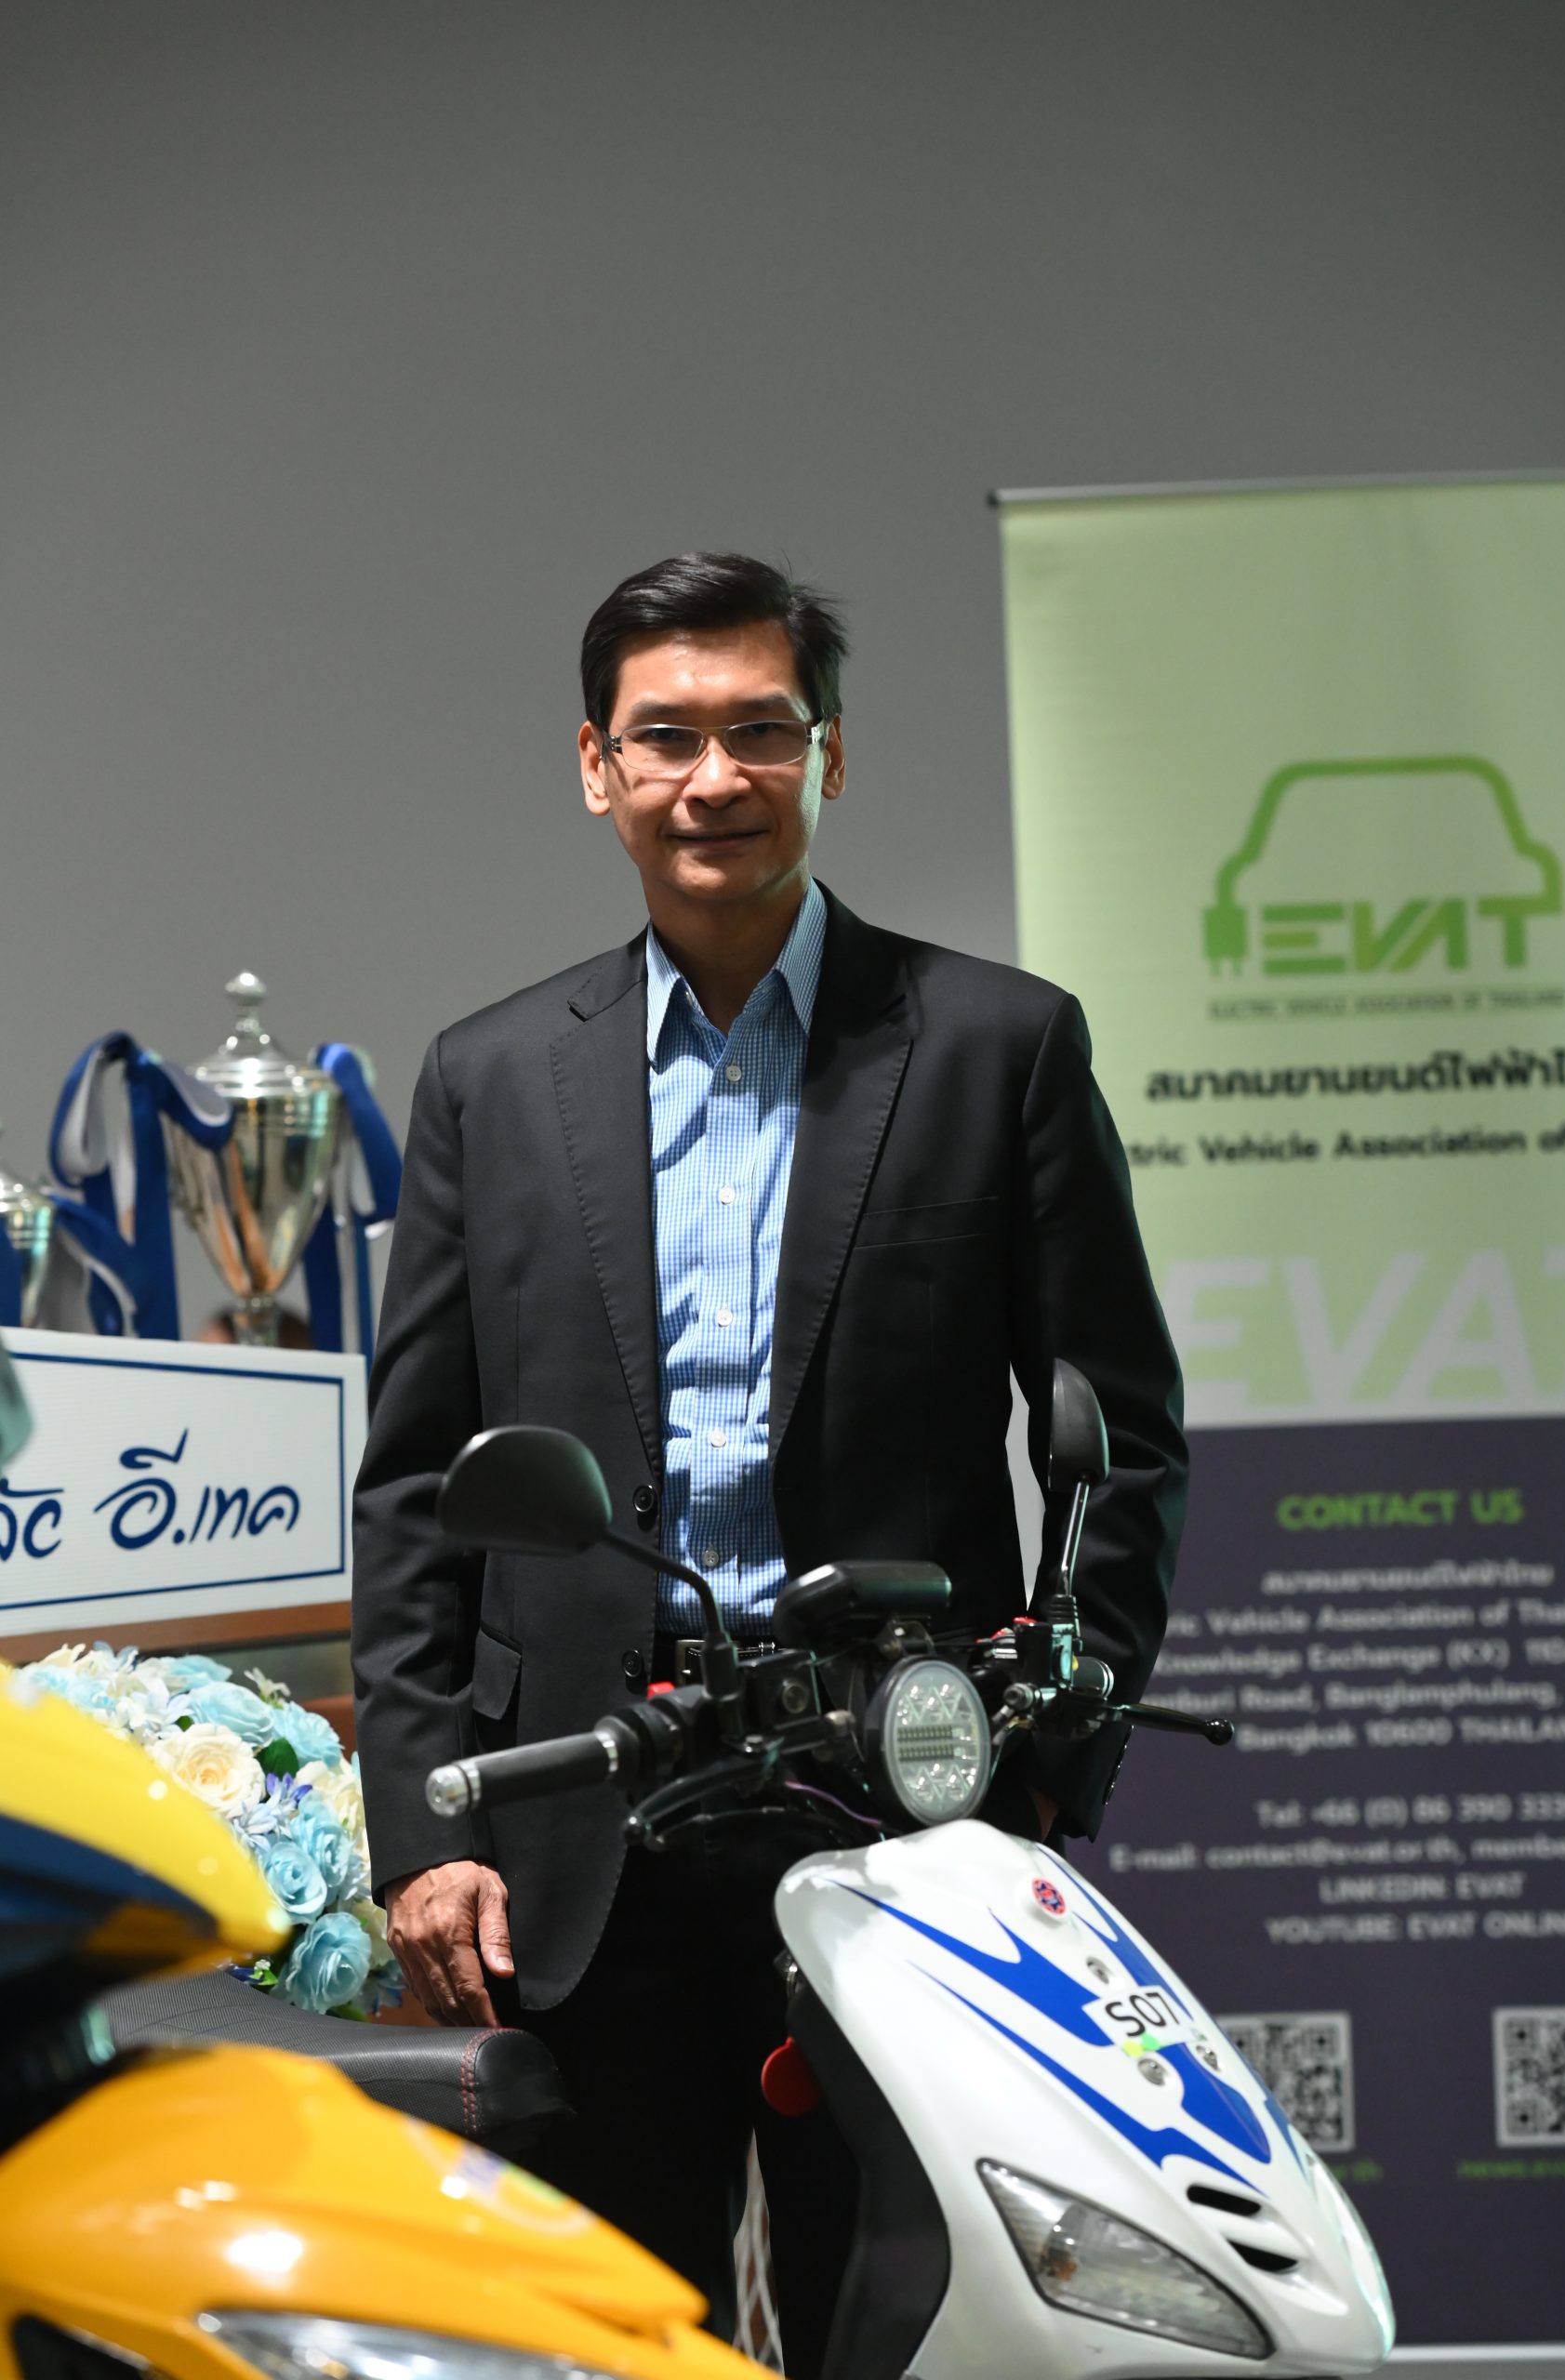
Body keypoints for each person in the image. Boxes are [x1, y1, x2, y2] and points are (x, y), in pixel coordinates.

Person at [351, 552, 1187, 2372]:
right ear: (597, 766)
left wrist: (1050, 1757)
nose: (713, 777)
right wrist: (425, 1829)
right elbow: (415, 1483)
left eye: (760, 731)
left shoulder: (995, 1046)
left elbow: (1121, 1437)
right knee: (603, 2337)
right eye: (666, 737)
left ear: (831, 754)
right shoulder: (492, 1076)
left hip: (899, 1814)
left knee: (901, 2325)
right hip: (583, 1827)